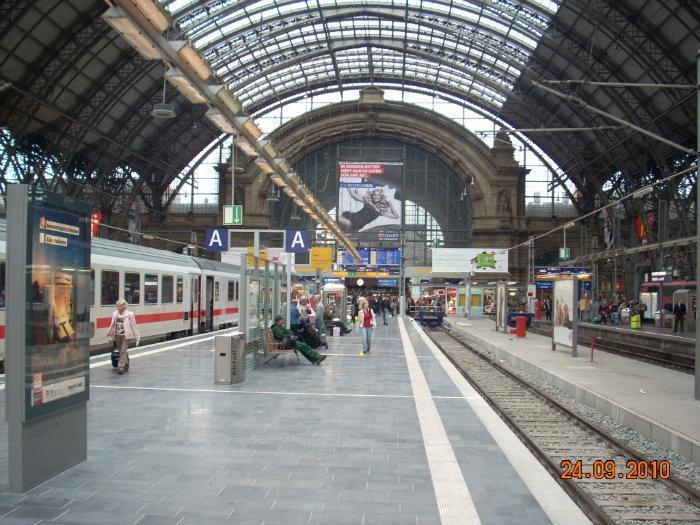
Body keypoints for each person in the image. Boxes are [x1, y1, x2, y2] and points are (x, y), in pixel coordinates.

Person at [107, 300, 140, 375]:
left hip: (126, 336)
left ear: (123, 307)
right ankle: (126, 364)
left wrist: (137, 337)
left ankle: (120, 367)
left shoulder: (130, 314)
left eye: (120, 306)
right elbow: (113, 326)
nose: (119, 308)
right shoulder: (115, 314)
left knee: (123, 351)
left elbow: (133, 326)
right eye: (118, 306)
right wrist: (111, 336)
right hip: (117, 335)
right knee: (121, 350)